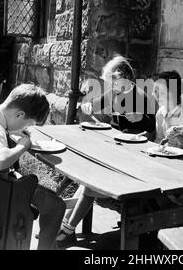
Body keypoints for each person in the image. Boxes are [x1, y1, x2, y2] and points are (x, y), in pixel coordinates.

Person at [56, 55, 155, 247]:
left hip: (135, 158)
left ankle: (66, 229)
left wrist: (138, 119)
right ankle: (66, 228)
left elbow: (150, 128)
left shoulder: (141, 96)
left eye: (111, 81)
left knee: (90, 183)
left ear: (123, 78)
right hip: (116, 153)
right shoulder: (114, 92)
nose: (109, 85)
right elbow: (95, 105)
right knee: (88, 179)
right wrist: (87, 106)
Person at [0, 84, 65, 250]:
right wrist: (23, 145)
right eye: (27, 124)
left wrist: (12, 133)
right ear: (19, 114)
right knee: (57, 206)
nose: (26, 129)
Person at [152, 71, 183, 151]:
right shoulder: (160, 113)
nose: (154, 95)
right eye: (155, 91)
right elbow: (159, 139)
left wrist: (176, 135)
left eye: (161, 92)